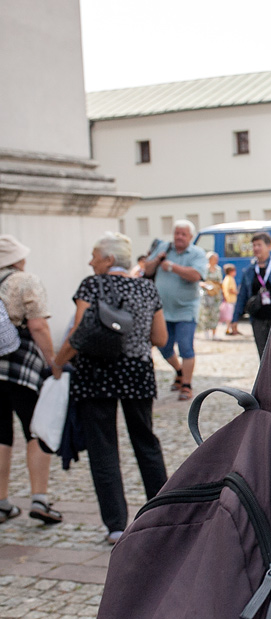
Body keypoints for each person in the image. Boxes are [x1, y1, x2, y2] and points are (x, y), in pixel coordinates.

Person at [52, 232, 169, 545]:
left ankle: (116, 525)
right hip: (137, 373)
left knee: (103, 448)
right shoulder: (147, 287)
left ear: (108, 259)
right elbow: (160, 339)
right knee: (146, 442)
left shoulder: (91, 285)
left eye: (94, 255)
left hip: (96, 373)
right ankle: (164, 514)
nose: (90, 261)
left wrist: (57, 361)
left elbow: (78, 332)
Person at [0, 235, 62, 525]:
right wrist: (53, 363)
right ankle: (39, 498)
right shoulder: (25, 280)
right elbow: (38, 325)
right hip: (21, 365)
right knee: (35, 429)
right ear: (18, 258)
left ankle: (1, 502)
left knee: (1, 435)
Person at [144, 220, 208, 400]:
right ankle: (179, 370)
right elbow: (147, 269)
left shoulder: (197, 253)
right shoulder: (164, 248)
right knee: (163, 345)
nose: (179, 237)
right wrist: (158, 259)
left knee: (186, 347)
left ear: (191, 237)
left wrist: (172, 267)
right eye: (176, 233)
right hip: (163, 309)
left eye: (183, 234)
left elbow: (196, 275)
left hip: (186, 309)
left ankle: (186, 385)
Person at [232, 233, 271, 357]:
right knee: (263, 354)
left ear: (268, 246)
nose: (256, 248)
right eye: (254, 245)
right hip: (257, 318)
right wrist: (235, 318)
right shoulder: (249, 271)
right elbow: (242, 296)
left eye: (259, 245)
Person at [197, 251, 223, 340]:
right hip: (207, 294)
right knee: (206, 313)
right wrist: (206, 285)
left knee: (215, 314)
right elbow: (199, 281)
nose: (216, 260)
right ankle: (206, 332)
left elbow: (220, 281)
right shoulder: (204, 269)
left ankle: (214, 333)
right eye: (214, 259)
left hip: (216, 294)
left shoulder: (218, 269)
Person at [220, 264, 238, 335]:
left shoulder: (226, 278)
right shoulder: (230, 279)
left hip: (227, 299)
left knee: (228, 315)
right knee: (231, 316)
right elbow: (231, 289)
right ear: (231, 271)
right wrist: (238, 293)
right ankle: (231, 329)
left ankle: (228, 329)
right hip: (231, 299)